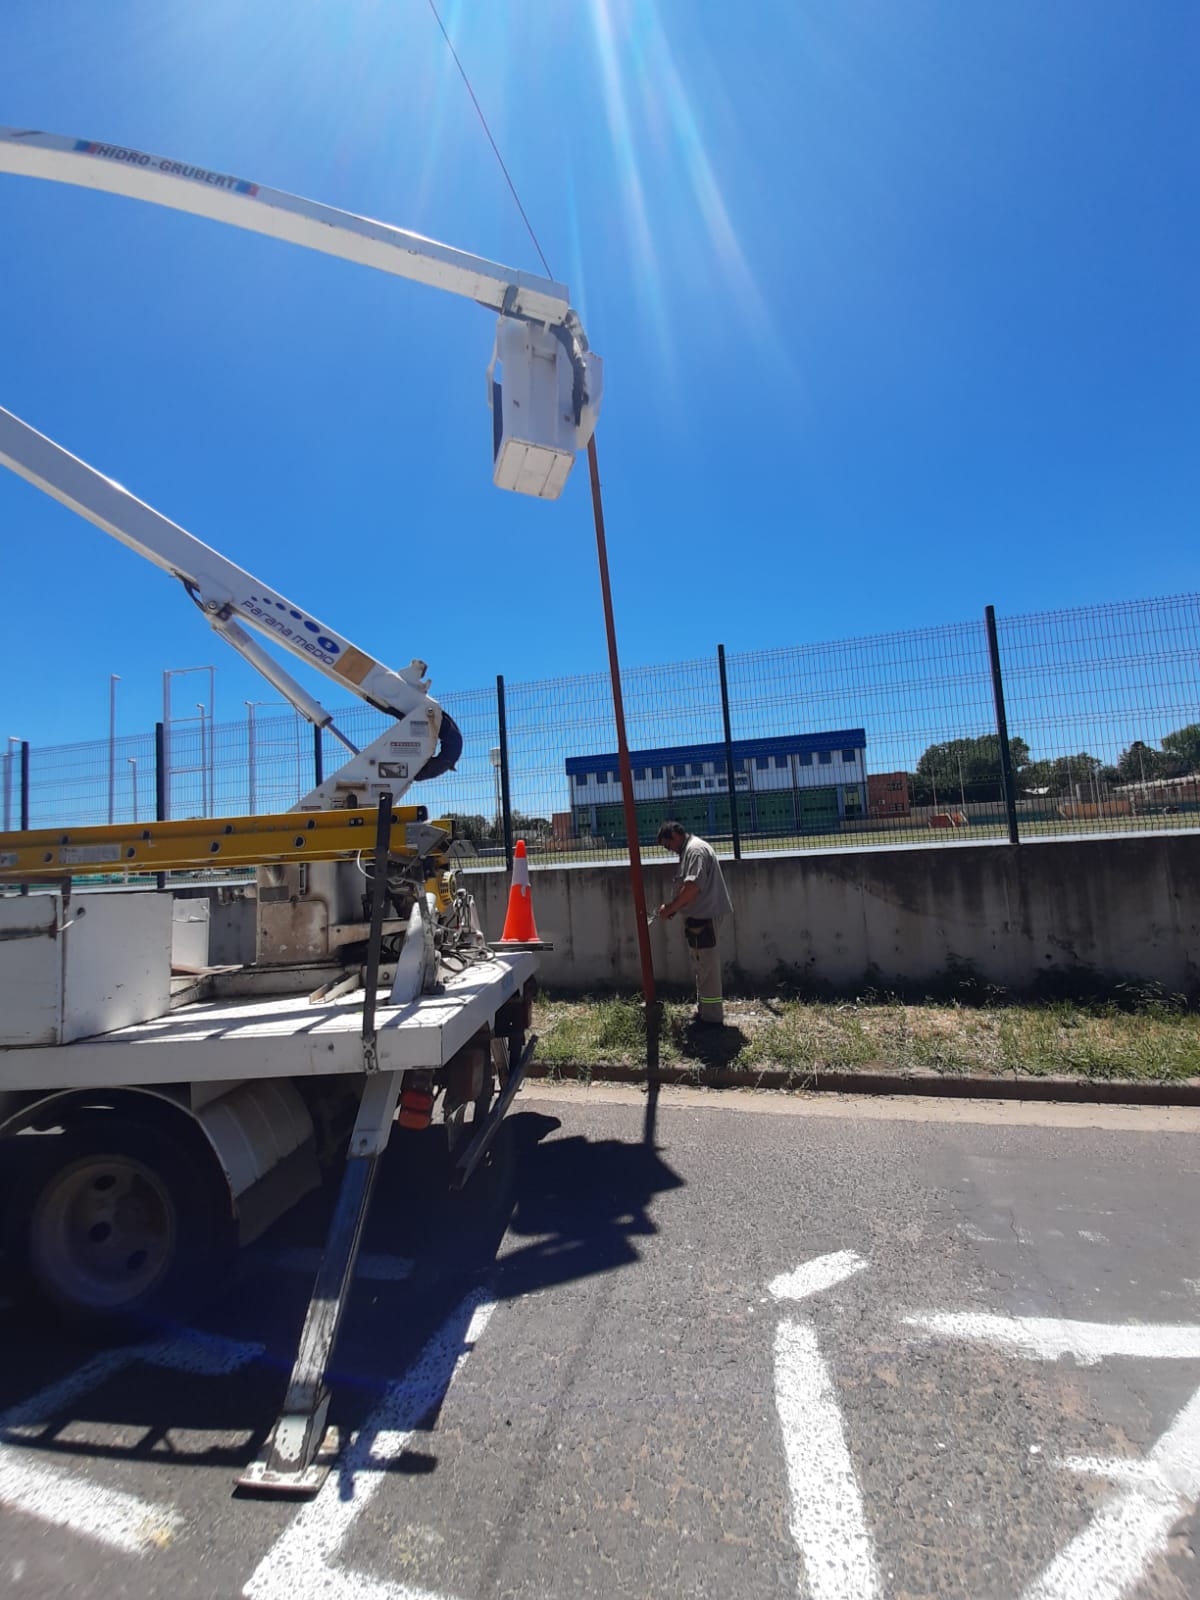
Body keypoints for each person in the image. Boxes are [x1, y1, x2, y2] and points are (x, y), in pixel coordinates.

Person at [655, 821, 733, 1025]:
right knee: (702, 967)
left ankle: (712, 1018)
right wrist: (676, 908)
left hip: (705, 918)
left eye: (667, 845)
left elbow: (692, 888)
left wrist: (671, 908)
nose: (669, 850)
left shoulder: (695, 850)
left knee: (707, 969)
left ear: (675, 836)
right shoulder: (690, 850)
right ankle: (705, 1012)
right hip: (700, 918)